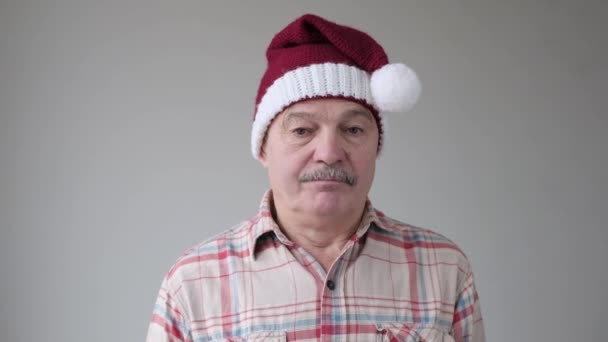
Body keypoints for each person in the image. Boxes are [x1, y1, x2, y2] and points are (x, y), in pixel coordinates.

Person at [147, 13, 485, 342]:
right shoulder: (192, 285)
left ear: (376, 146)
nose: (329, 151)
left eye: (353, 129)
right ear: (263, 148)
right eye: (302, 130)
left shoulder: (443, 269)